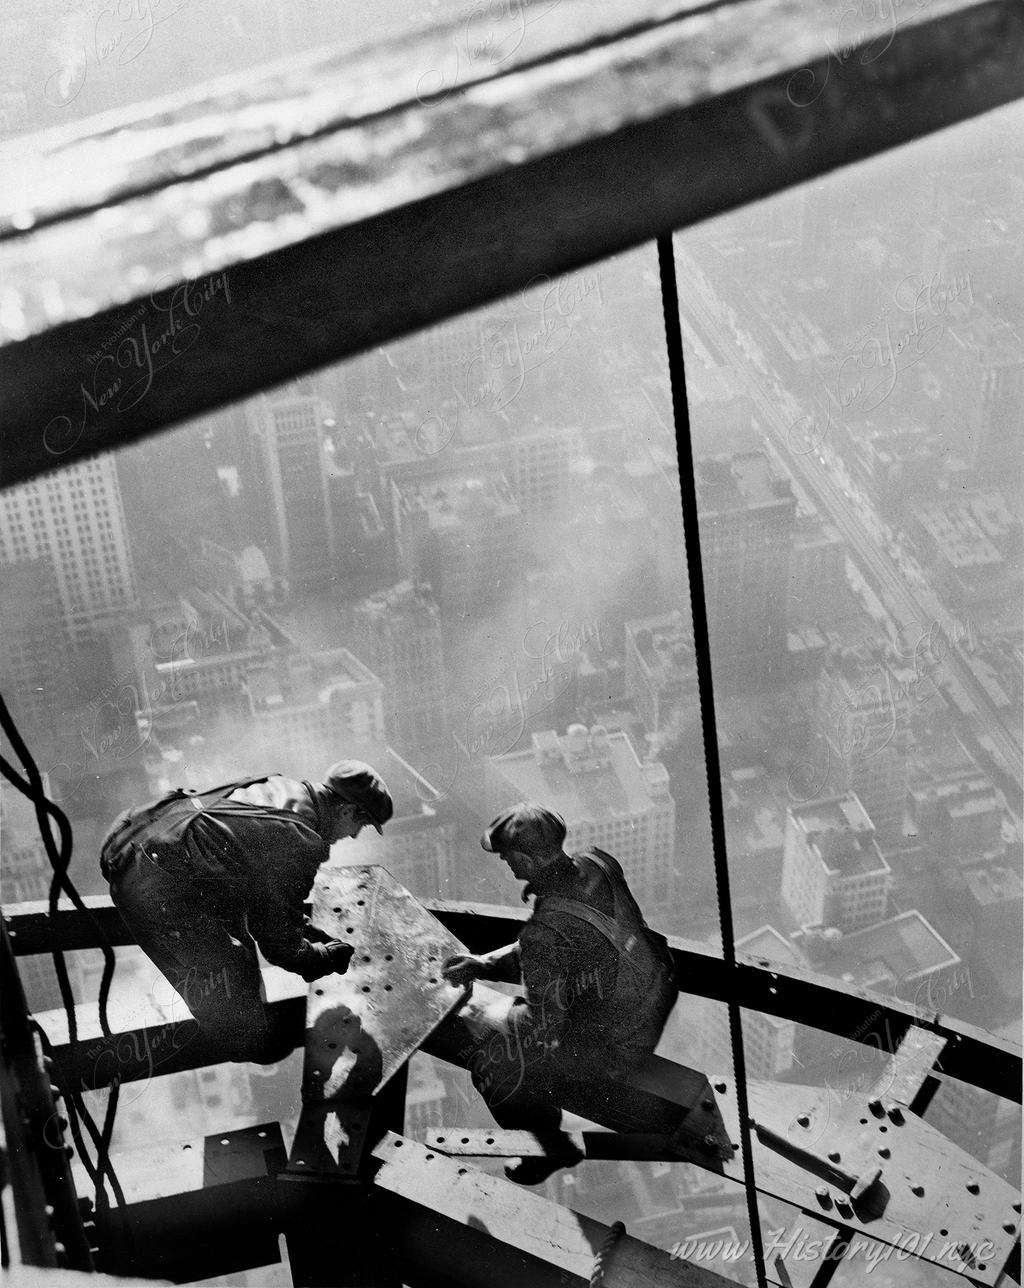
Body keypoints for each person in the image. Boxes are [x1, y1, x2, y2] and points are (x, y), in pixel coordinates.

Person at [442, 802, 678, 1184]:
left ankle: (547, 1147)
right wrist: (486, 965)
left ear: (522, 857)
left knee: (491, 1064)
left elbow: (544, 1029)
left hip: (616, 1048)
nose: (509, 866)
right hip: (651, 1002)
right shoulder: (599, 863)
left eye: (507, 858)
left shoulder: (544, 935)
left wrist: (497, 1022)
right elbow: (577, 944)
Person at [100, 760, 393, 1063]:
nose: (355, 835)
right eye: (362, 824)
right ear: (347, 811)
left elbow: (264, 897)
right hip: (151, 884)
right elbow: (282, 950)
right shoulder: (301, 839)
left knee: (234, 937)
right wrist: (326, 959)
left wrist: (305, 929)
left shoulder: (276, 786)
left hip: (128, 843)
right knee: (239, 1011)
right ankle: (242, 1043)